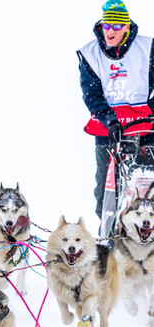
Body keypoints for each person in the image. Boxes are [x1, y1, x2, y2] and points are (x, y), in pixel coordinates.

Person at [77, 0, 154, 236]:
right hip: (109, 128)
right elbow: (91, 94)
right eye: (106, 25)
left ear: (126, 27)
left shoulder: (148, 48)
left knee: (147, 187)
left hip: (145, 125)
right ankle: (109, 236)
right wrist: (109, 119)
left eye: (116, 26)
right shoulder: (90, 54)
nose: (110, 31)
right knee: (106, 188)